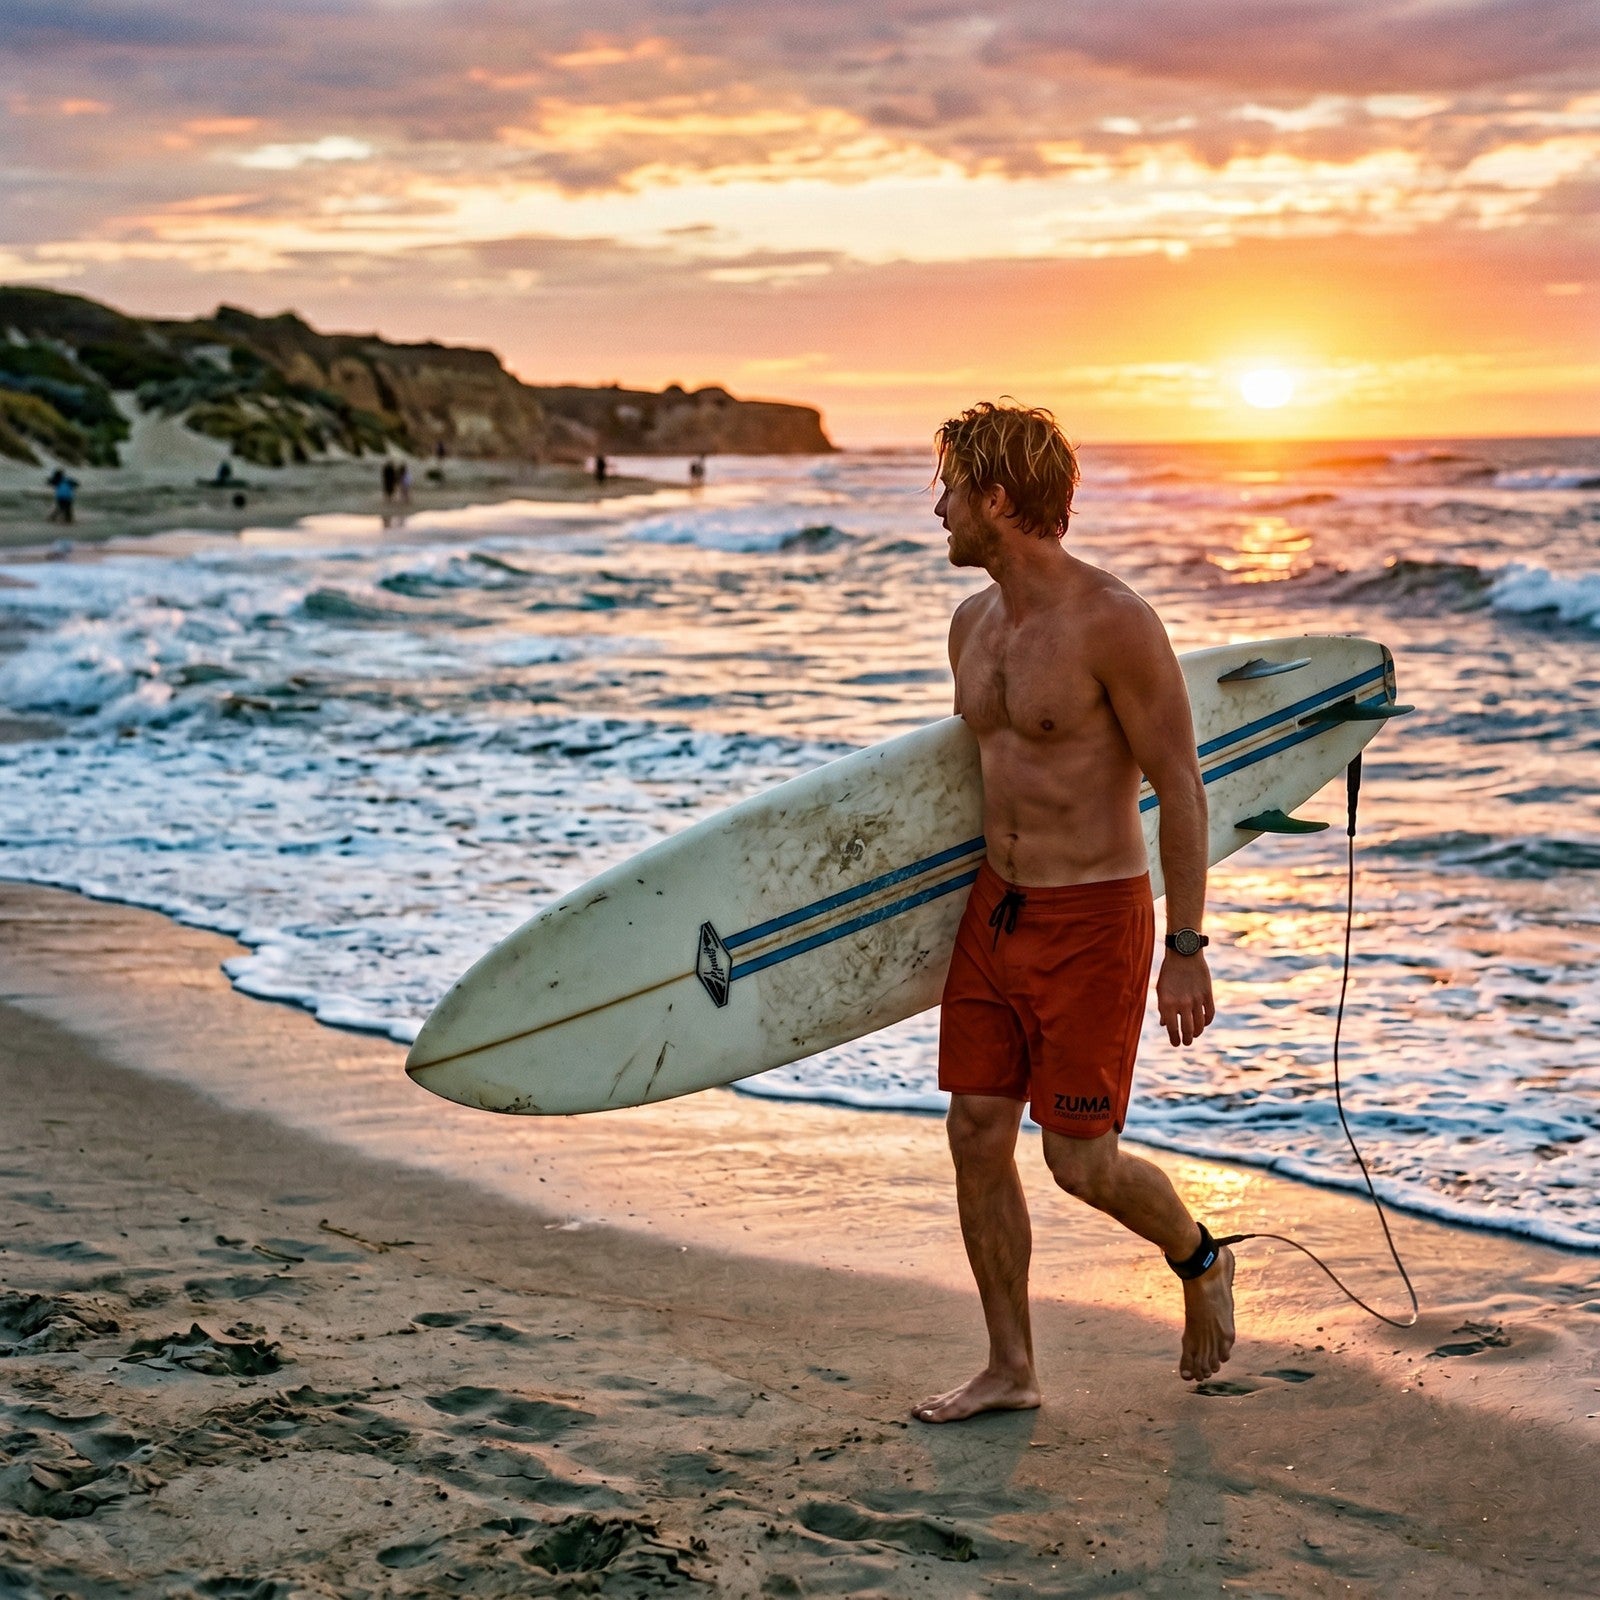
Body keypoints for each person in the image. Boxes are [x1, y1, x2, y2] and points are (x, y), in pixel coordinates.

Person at [913, 400, 1232, 1425]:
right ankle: (1011, 1367)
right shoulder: (970, 624)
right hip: (993, 910)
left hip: (1093, 918)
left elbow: (1180, 787)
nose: (939, 511)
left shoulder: (1114, 623)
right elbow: (974, 784)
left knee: (1078, 1163)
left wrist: (1185, 947)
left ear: (998, 498)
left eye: (952, 491)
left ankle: (1199, 1255)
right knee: (974, 1131)